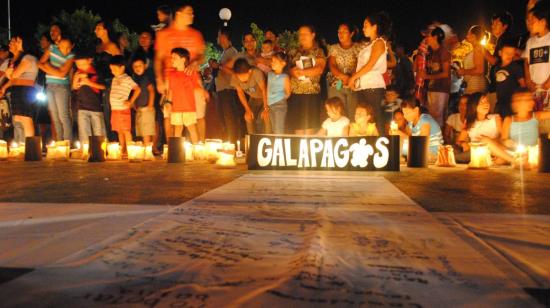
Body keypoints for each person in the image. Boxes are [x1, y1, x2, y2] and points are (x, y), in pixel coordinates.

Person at [154, 4, 205, 140]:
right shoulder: (164, 34)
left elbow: (201, 55)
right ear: (178, 14)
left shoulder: (196, 34)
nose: (192, 16)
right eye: (189, 12)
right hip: (170, 79)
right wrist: (159, 80)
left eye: (192, 13)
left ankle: (200, 148)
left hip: (191, 77)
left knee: (198, 115)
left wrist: (195, 62)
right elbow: (158, 59)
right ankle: (173, 147)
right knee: (170, 116)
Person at [349, 12, 392, 135]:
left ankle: (382, 147)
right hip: (363, 86)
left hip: (373, 86)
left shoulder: (379, 43)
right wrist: (356, 79)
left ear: (375, 27)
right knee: (363, 118)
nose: (363, 28)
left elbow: (370, 65)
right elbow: (362, 66)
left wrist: (353, 78)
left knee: (375, 117)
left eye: (366, 25)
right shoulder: (369, 45)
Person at [288, 25, 327, 135]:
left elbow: (319, 69)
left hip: (311, 94)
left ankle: (309, 151)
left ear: (313, 35)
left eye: (305, 34)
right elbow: (288, 69)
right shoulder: (293, 51)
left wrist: (302, 72)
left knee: (309, 126)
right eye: (300, 34)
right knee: (297, 126)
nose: (302, 36)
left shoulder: (318, 51)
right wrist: (292, 72)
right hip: (295, 94)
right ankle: (299, 151)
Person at [0, 35, 39, 143]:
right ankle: (23, 145)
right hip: (18, 90)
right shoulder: (21, 59)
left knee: (26, 119)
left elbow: (13, 74)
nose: (15, 43)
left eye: (18, 41)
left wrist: (9, 73)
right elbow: (11, 75)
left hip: (25, 91)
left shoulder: (28, 58)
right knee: (19, 119)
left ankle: (31, 147)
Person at [38, 31, 74, 142]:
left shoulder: (71, 56)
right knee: (55, 116)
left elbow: (63, 73)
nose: (66, 50)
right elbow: (39, 63)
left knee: (64, 115)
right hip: (50, 86)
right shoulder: (52, 49)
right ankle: (59, 142)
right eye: (63, 46)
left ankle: (68, 142)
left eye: (68, 47)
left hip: (62, 87)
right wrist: (55, 71)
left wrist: (48, 68)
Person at [500, 88, 550, 165]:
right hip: (515, 153)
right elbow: (503, 140)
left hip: (533, 153)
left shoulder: (535, 116)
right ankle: (517, 162)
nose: (532, 102)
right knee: (488, 142)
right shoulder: (509, 120)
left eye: (531, 99)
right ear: (517, 103)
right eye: (527, 100)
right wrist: (508, 142)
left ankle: (520, 162)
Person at [524, 1, 550, 132]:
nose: (530, 23)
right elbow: (527, 62)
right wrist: (528, 80)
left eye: (533, 20)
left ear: (543, 22)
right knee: (536, 125)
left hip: (548, 91)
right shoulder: (530, 42)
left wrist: (548, 82)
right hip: (534, 91)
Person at [455, 93, 503, 163]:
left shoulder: (495, 118)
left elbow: (504, 138)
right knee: (452, 149)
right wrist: (463, 143)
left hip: (489, 150)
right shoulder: (469, 121)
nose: (486, 104)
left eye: (487, 101)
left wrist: (490, 140)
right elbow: (459, 141)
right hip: (472, 150)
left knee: (459, 156)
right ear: (474, 105)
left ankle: (452, 158)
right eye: (482, 102)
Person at [326, 23, 361, 119]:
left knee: (353, 112)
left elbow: (359, 64)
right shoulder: (334, 48)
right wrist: (343, 76)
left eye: (344, 31)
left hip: (353, 83)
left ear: (351, 34)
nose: (341, 34)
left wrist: (351, 78)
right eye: (339, 32)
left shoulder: (358, 47)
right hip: (337, 83)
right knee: (337, 111)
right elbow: (332, 65)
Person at [392, 97, 443, 162]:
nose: (405, 116)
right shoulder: (411, 122)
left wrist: (402, 135)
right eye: (404, 113)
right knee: (398, 141)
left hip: (432, 153)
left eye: (407, 113)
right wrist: (396, 133)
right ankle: (398, 158)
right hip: (420, 151)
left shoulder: (425, 122)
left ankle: (401, 159)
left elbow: (421, 144)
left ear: (416, 110)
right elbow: (406, 137)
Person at [95, 20, 122, 142]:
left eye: (98, 28)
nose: (95, 30)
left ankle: (114, 142)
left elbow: (121, 63)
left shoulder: (112, 46)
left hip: (110, 82)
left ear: (106, 30)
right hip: (98, 82)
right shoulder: (98, 46)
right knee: (100, 113)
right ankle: (103, 140)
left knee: (109, 112)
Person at [166, 48, 200, 143]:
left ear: (183, 59)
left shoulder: (191, 73)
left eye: (175, 57)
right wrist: (168, 102)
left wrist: (203, 94)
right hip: (176, 107)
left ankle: (196, 150)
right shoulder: (171, 74)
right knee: (177, 129)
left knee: (192, 128)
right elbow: (170, 90)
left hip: (189, 107)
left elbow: (197, 87)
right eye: (171, 57)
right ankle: (178, 152)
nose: (172, 59)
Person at [109, 55, 141, 156]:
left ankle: (130, 150)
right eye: (111, 69)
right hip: (115, 110)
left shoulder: (127, 78)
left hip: (123, 109)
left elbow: (137, 89)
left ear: (122, 67)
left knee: (126, 130)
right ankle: (122, 150)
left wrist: (131, 101)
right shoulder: (114, 79)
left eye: (114, 69)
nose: (112, 71)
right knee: (119, 131)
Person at [73, 50, 106, 145]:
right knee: (84, 131)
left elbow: (103, 86)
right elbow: (75, 87)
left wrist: (88, 82)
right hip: (81, 106)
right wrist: (75, 79)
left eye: (83, 64)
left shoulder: (96, 72)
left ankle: (100, 149)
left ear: (90, 60)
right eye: (78, 64)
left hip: (96, 106)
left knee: (98, 131)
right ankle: (86, 150)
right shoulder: (78, 72)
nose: (80, 66)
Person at [215, 27, 242, 143]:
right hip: (222, 89)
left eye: (219, 35)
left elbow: (235, 71)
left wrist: (219, 66)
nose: (217, 38)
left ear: (223, 37)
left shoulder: (233, 52)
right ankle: (227, 141)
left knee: (230, 117)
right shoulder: (225, 52)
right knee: (223, 118)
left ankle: (233, 142)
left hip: (228, 89)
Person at [420, 26, 451, 127]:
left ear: (435, 37)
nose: (426, 38)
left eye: (429, 35)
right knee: (432, 117)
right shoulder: (433, 52)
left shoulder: (443, 52)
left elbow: (446, 73)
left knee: (437, 118)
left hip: (440, 89)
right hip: (433, 89)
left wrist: (426, 76)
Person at [485, 12, 514, 111]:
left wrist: (480, 48)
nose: (493, 26)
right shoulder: (503, 39)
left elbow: (494, 61)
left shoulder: (504, 39)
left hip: (501, 87)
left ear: (505, 26)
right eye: (492, 23)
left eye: (496, 24)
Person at [232, 58, 268, 134]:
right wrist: (247, 109)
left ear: (250, 71)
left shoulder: (256, 73)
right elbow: (240, 93)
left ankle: (264, 137)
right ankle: (252, 139)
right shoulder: (235, 76)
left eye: (243, 76)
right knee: (248, 117)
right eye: (239, 76)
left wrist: (266, 108)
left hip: (266, 98)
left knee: (262, 118)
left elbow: (264, 90)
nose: (241, 79)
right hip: (253, 99)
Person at [494, 39, 526, 118]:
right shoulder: (496, 68)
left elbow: (523, 84)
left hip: (511, 103)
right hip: (500, 103)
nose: (509, 55)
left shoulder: (515, 67)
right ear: (500, 53)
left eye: (512, 53)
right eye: (507, 53)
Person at [131, 57, 156, 146]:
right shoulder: (135, 79)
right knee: (141, 128)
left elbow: (151, 90)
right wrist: (133, 104)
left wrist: (150, 104)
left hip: (146, 107)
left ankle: (148, 148)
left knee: (147, 129)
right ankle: (147, 147)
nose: (137, 68)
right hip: (139, 108)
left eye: (140, 66)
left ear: (145, 66)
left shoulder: (146, 78)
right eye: (135, 66)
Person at [457, 25, 488, 94]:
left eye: (468, 33)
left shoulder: (478, 49)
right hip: (471, 85)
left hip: (476, 86)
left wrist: (464, 71)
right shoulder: (475, 49)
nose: (467, 36)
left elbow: (480, 70)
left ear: (473, 36)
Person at [267, 51, 290, 134]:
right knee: (274, 127)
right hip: (270, 104)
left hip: (279, 105)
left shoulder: (285, 77)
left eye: (275, 61)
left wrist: (279, 98)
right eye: (272, 61)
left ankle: (279, 144)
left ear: (283, 63)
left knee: (279, 128)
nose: (272, 63)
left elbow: (288, 92)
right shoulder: (270, 74)